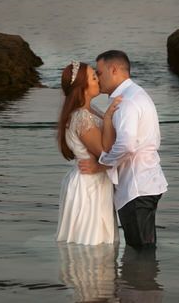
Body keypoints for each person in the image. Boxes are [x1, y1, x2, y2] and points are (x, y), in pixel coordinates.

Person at [79, 50, 167, 249]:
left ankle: (140, 280)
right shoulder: (134, 93)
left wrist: (102, 165)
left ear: (114, 70)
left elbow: (127, 144)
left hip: (136, 185)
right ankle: (141, 279)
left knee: (140, 250)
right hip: (145, 181)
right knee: (144, 246)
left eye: (99, 73)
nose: (98, 79)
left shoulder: (127, 101)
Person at [56, 60, 121, 244]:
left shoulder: (91, 110)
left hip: (95, 179)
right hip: (89, 183)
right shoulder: (81, 116)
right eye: (94, 77)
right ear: (83, 86)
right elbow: (104, 152)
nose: (99, 79)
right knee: (92, 240)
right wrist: (108, 118)